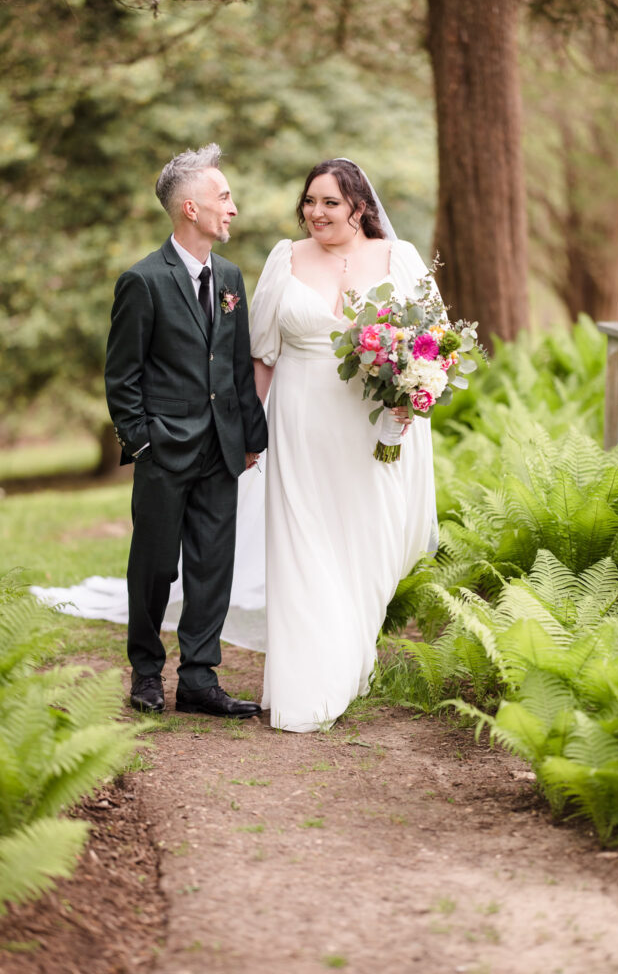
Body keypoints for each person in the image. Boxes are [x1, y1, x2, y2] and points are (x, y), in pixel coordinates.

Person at [249, 158, 438, 733]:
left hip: (372, 426)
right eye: (309, 201)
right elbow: (262, 353)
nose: (315, 213)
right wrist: (251, 430)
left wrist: (412, 397)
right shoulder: (285, 259)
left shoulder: (397, 259)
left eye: (329, 202)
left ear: (359, 206)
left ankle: (351, 655)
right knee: (304, 542)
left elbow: (431, 346)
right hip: (299, 423)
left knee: (369, 543)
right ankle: (307, 683)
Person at [104, 143, 267, 717]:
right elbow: (122, 376)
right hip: (164, 450)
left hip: (222, 449)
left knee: (211, 566)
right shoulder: (143, 281)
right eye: (223, 196)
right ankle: (146, 672)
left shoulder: (229, 277)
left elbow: (236, 364)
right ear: (190, 209)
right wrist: (142, 440)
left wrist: (251, 437)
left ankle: (199, 678)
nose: (234, 207)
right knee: (153, 567)